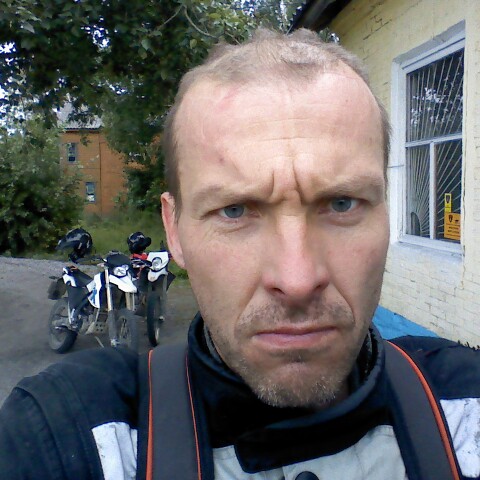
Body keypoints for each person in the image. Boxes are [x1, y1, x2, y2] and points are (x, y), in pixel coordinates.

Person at [1, 28, 479, 480]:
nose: (297, 279)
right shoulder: (67, 433)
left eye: (341, 203)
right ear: (175, 230)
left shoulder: (465, 409)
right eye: (234, 211)